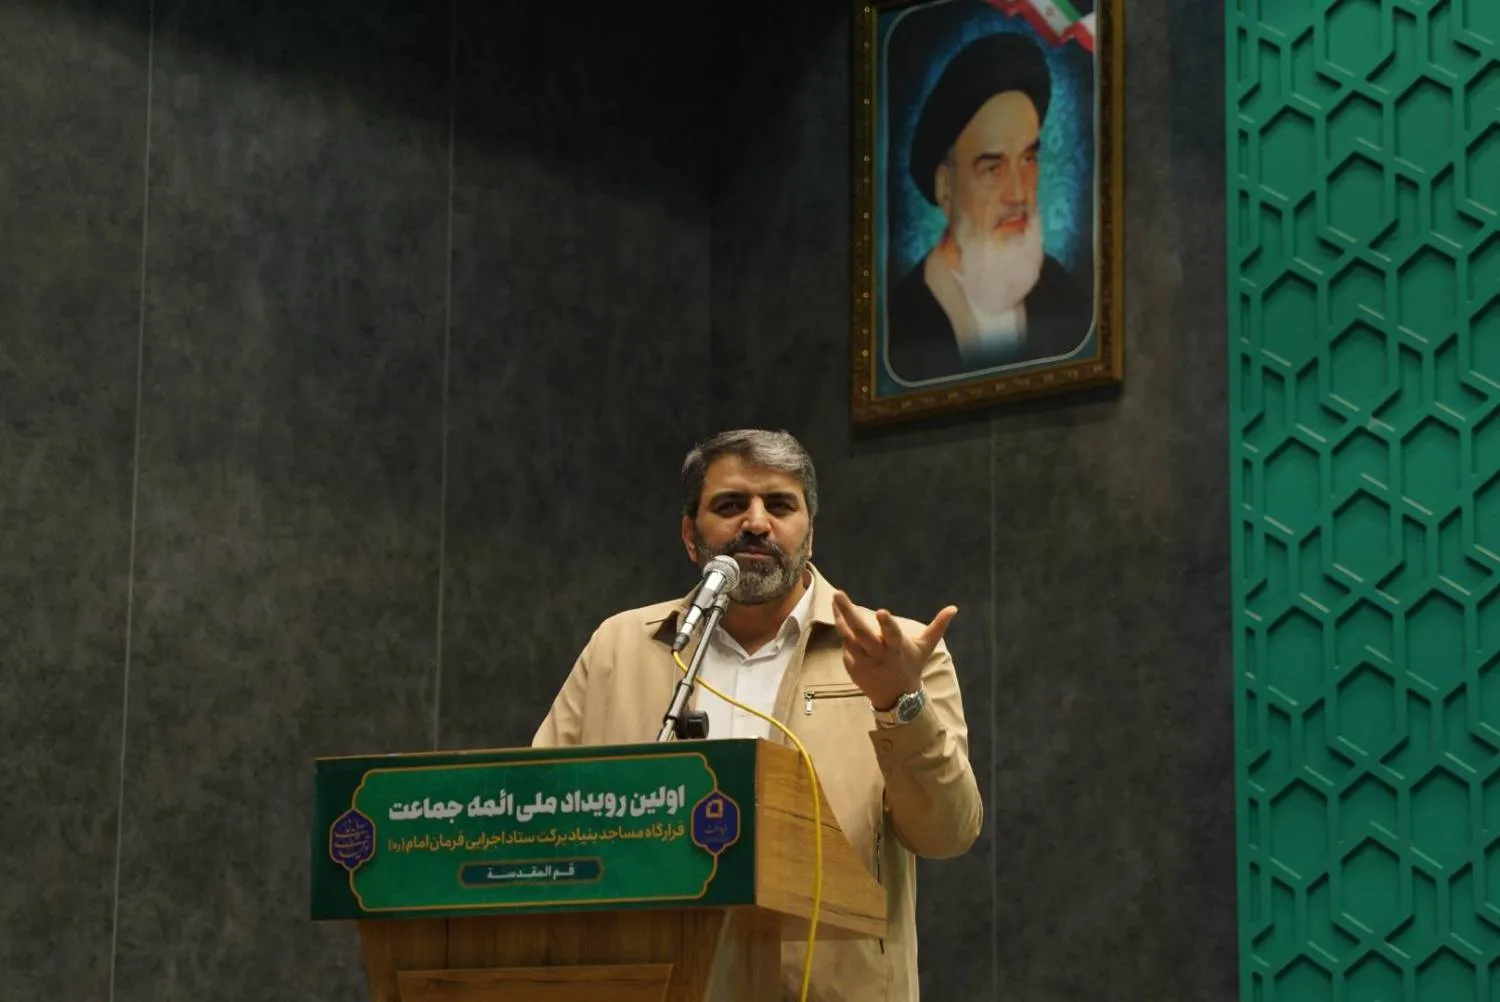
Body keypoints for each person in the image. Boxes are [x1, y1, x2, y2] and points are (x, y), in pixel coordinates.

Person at [533, 429, 982, 1001]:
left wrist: (899, 703)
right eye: (729, 505)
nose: (756, 523)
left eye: (779, 505)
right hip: (653, 981)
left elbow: (947, 833)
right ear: (690, 536)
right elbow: (537, 816)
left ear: (809, 535)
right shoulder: (620, 648)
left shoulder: (892, 651)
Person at [886, 30, 1091, 383]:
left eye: (1028, 159)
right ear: (946, 186)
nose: (1018, 193)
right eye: (992, 169)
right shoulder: (902, 321)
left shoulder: (1066, 297)